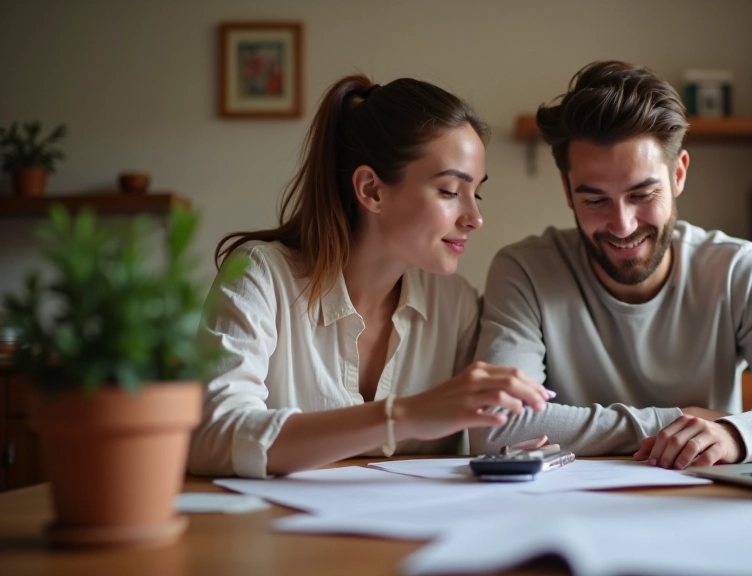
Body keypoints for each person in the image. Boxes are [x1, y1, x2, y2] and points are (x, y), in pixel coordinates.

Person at [471, 61, 752, 470]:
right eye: (595, 200)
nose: (623, 224)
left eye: (642, 194)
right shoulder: (524, 272)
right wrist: (680, 422)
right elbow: (497, 428)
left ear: (678, 174)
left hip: (705, 506)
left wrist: (735, 434)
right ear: (567, 192)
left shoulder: (735, 270)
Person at [189, 75, 550, 479]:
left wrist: (508, 447)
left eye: (476, 193)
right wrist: (403, 416)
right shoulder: (261, 276)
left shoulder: (456, 303)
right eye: (450, 191)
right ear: (371, 190)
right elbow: (211, 436)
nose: (475, 218)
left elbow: (483, 436)